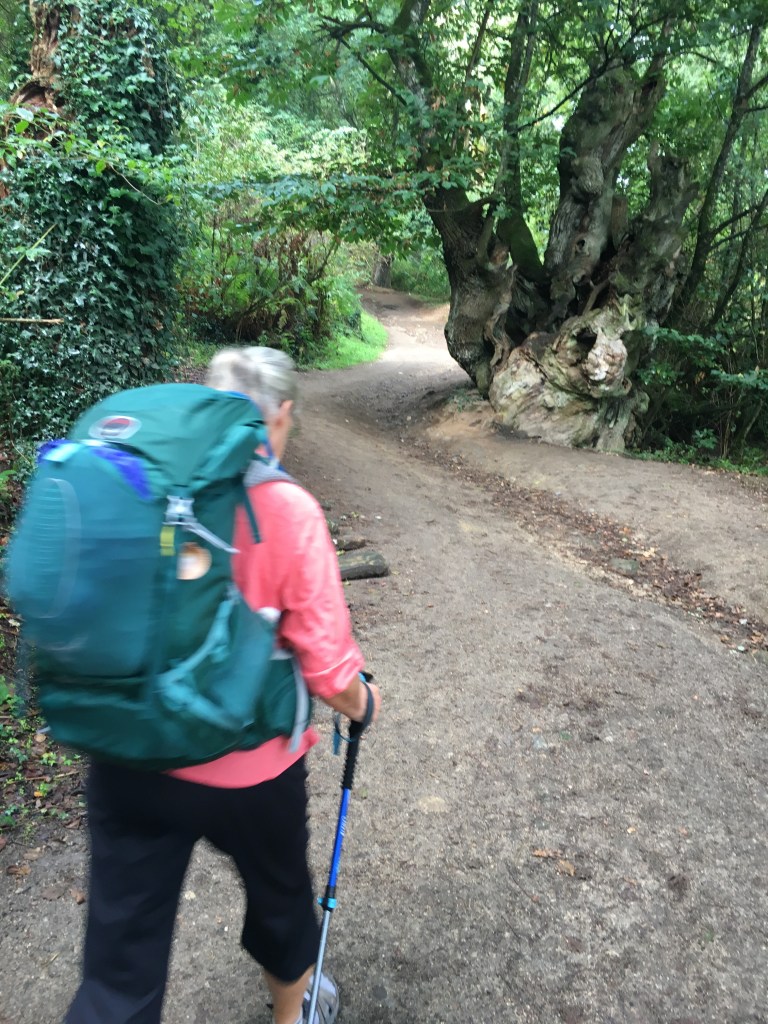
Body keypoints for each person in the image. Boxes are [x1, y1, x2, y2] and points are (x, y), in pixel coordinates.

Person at [65, 346, 382, 1024]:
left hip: (130, 752)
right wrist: (365, 704)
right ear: (282, 414)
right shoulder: (288, 510)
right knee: (280, 900)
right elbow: (330, 674)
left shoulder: (142, 483)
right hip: (248, 773)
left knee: (120, 958)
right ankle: (293, 1014)